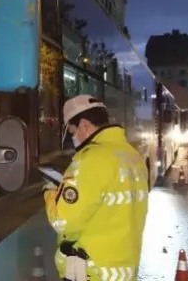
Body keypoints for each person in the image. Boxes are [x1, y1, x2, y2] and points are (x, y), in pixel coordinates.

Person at [44, 95, 149, 281]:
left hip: (92, 272)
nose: (72, 137)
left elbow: (62, 220)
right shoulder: (132, 156)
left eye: (72, 130)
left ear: (84, 125)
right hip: (123, 271)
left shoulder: (91, 159)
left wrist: (50, 192)